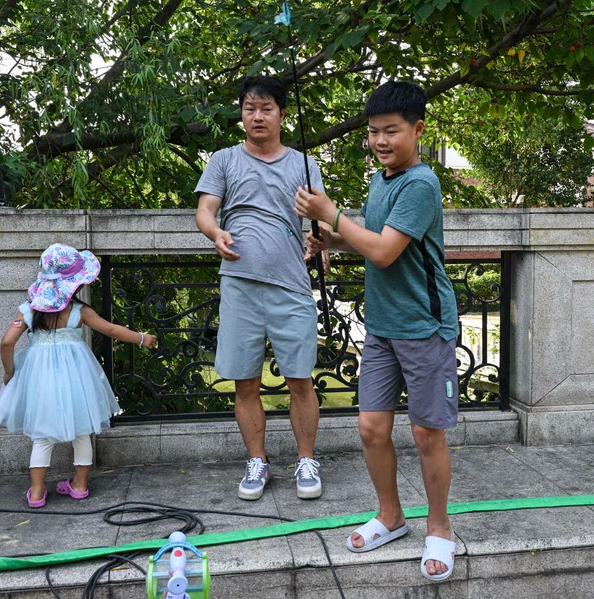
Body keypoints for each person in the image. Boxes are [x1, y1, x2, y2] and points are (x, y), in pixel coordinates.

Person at [294, 81, 459, 581]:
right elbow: (375, 238)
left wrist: (331, 215)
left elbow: (386, 252)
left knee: (427, 433)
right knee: (370, 428)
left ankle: (440, 528)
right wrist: (331, 242)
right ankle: (391, 516)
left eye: (392, 131)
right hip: (384, 328)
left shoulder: (421, 183)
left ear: (418, 130)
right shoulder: (382, 180)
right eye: (373, 132)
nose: (381, 141)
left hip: (425, 326)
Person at [194, 75, 325, 501]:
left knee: (300, 379)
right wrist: (215, 234)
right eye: (250, 108)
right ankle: (257, 461)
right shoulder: (224, 160)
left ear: (282, 115)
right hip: (239, 287)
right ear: (242, 115)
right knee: (245, 382)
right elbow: (205, 210)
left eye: (266, 108)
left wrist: (320, 242)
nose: (257, 116)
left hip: (291, 286)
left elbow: (321, 220)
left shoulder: (305, 164)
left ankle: (306, 459)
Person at [0, 243, 157, 508]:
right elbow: (112, 330)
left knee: (42, 435)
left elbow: (6, 343)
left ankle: (36, 493)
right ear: (74, 285)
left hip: (39, 380)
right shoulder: (81, 312)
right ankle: (79, 486)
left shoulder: (28, 311)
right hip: (77, 377)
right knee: (82, 431)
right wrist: (141, 338)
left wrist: (10, 371)